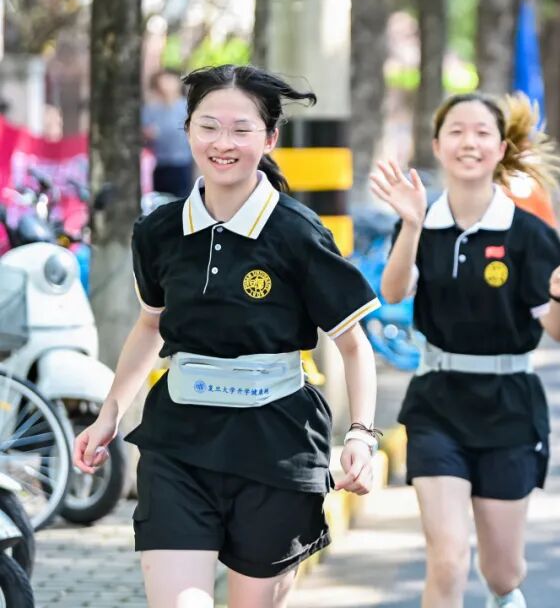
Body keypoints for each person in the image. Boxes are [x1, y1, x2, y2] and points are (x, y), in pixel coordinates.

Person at [73, 64, 381, 608]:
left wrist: (360, 434)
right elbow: (151, 325)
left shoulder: (297, 233)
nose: (223, 143)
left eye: (242, 130)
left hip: (276, 448)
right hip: (179, 443)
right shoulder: (159, 230)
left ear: (269, 138)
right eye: (209, 126)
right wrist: (110, 414)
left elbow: (353, 345)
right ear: (188, 130)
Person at [371, 91, 560, 608]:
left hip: (509, 405)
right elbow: (393, 293)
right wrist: (412, 224)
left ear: (501, 148)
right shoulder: (418, 221)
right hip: (437, 403)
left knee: (503, 571)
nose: (469, 142)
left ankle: (504, 597)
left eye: (482, 132)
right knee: (447, 559)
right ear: (436, 146)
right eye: (457, 132)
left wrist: (559, 296)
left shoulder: (529, 233)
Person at [143, 68, 195, 196]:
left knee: (182, 199)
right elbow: (144, 135)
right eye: (163, 81)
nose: (167, 85)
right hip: (160, 163)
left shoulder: (188, 107)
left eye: (170, 80)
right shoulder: (151, 109)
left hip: (182, 162)